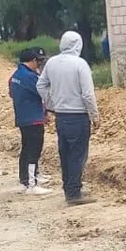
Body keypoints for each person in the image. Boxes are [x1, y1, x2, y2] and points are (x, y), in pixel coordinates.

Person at [37, 31, 100, 205]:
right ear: (78, 45)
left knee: (65, 153)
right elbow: (88, 94)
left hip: (61, 117)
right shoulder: (80, 64)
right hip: (78, 117)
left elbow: (40, 85)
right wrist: (95, 115)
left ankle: (69, 189)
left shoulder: (52, 63)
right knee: (77, 155)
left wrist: (51, 104)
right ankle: (74, 193)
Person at [9, 46, 53, 195]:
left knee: (26, 149)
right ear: (33, 61)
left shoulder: (16, 75)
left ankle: (26, 179)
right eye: (39, 61)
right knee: (34, 149)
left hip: (23, 117)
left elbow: (12, 93)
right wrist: (49, 110)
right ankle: (31, 184)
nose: (39, 65)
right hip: (33, 119)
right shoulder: (30, 77)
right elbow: (44, 93)